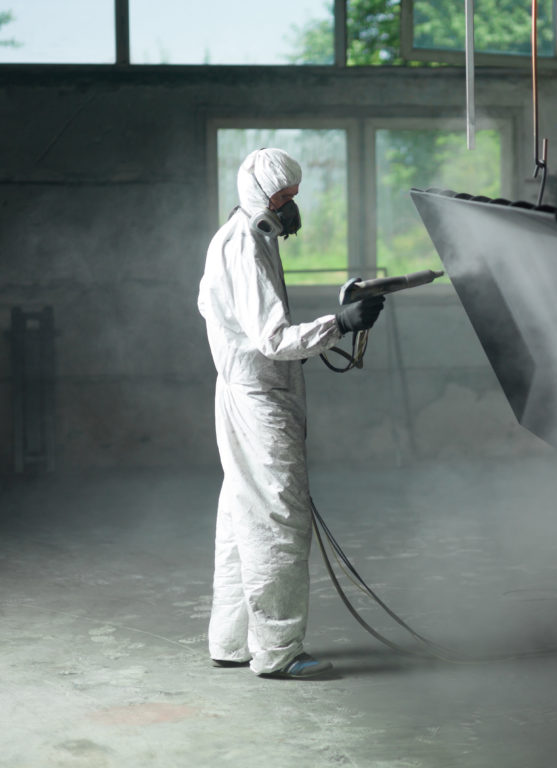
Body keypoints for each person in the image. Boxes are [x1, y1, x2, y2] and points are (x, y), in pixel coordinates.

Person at [197, 148, 384, 678]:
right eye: (282, 198)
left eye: (292, 197)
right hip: (259, 399)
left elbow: (220, 312)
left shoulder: (243, 235)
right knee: (278, 517)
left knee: (240, 516)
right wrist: (340, 324)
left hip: (242, 391)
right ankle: (278, 653)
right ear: (259, 197)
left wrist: (340, 311)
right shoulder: (246, 246)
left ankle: (231, 642)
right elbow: (274, 338)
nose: (288, 206)